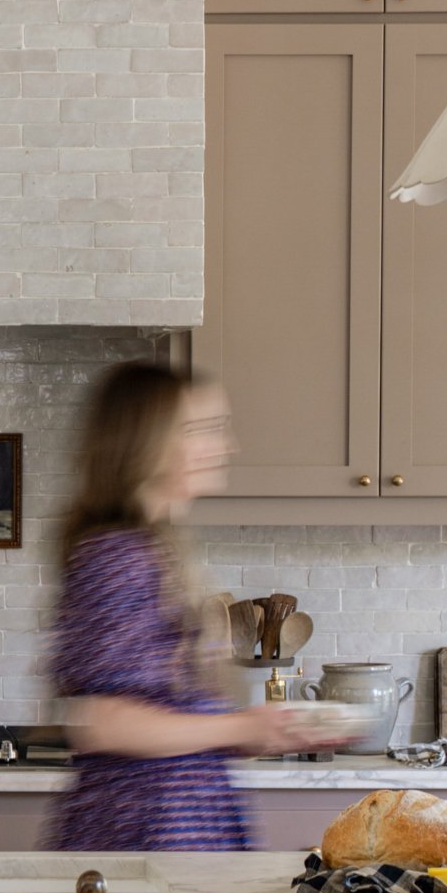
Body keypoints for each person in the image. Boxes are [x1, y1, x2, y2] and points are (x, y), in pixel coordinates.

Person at [45, 360, 314, 851]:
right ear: (146, 443)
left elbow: (156, 713)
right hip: (145, 839)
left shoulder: (146, 551)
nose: (226, 445)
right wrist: (239, 725)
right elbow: (101, 721)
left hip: (168, 839)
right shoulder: (118, 557)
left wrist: (248, 734)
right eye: (202, 428)